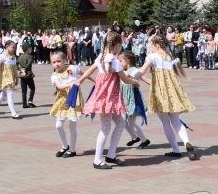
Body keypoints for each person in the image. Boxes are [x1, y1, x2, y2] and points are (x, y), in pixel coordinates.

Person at [74, 31, 140, 169]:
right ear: (117, 45)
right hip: (109, 97)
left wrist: (80, 80)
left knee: (121, 123)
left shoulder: (101, 56)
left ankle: (111, 154)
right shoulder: (114, 61)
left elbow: (89, 70)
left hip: (105, 96)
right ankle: (97, 159)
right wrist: (134, 81)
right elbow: (124, 78)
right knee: (105, 128)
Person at [133, 35, 195, 159]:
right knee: (176, 121)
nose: (150, 48)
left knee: (165, 123)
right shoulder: (169, 57)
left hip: (160, 93)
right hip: (172, 92)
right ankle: (187, 142)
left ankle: (176, 149)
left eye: (151, 45)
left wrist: (132, 76)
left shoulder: (153, 56)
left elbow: (142, 71)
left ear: (157, 45)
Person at [48, 50, 83, 158]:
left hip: (74, 99)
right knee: (58, 125)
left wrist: (95, 81)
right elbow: (59, 86)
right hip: (62, 100)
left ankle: (72, 149)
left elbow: (84, 74)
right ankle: (64, 146)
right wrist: (72, 82)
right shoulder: (54, 76)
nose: (56, 64)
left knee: (72, 125)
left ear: (65, 60)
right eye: (54, 62)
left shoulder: (72, 68)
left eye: (59, 61)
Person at [118, 50, 151, 149]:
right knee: (124, 122)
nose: (119, 63)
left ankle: (142, 140)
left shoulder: (135, 71)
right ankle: (137, 138)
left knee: (129, 123)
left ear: (127, 61)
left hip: (133, 99)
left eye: (120, 61)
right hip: (124, 99)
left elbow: (146, 80)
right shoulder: (122, 72)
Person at [0, 40, 22, 119]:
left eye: (15, 47)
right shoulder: (2, 56)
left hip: (11, 78)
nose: (14, 49)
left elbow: (14, 69)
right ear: (7, 47)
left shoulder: (14, 57)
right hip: (5, 79)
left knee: (3, 95)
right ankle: (13, 113)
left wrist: (17, 78)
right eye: (12, 47)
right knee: (10, 94)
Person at [18, 43, 36, 108]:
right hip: (28, 74)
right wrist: (25, 69)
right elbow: (29, 64)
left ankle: (24, 103)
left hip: (22, 75)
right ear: (27, 49)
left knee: (24, 90)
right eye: (30, 48)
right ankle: (30, 101)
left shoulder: (20, 56)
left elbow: (16, 64)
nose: (31, 50)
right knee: (32, 88)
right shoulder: (30, 56)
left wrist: (20, 69)